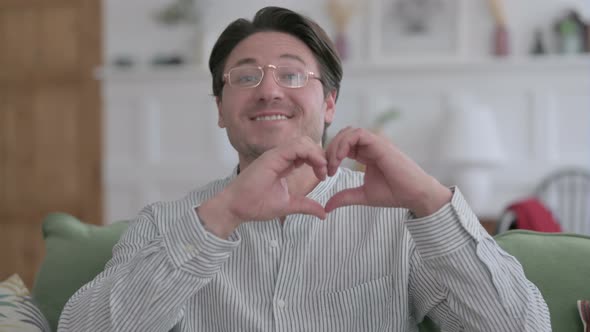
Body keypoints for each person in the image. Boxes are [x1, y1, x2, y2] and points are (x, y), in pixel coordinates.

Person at [59, 6, 550, 332]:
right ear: (220, 107)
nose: (269, 91)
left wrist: (429, 200)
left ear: (330, 103)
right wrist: (220, 218)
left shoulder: (400, 223)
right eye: (245, 76)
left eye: (292, 74)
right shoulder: (165, 224)